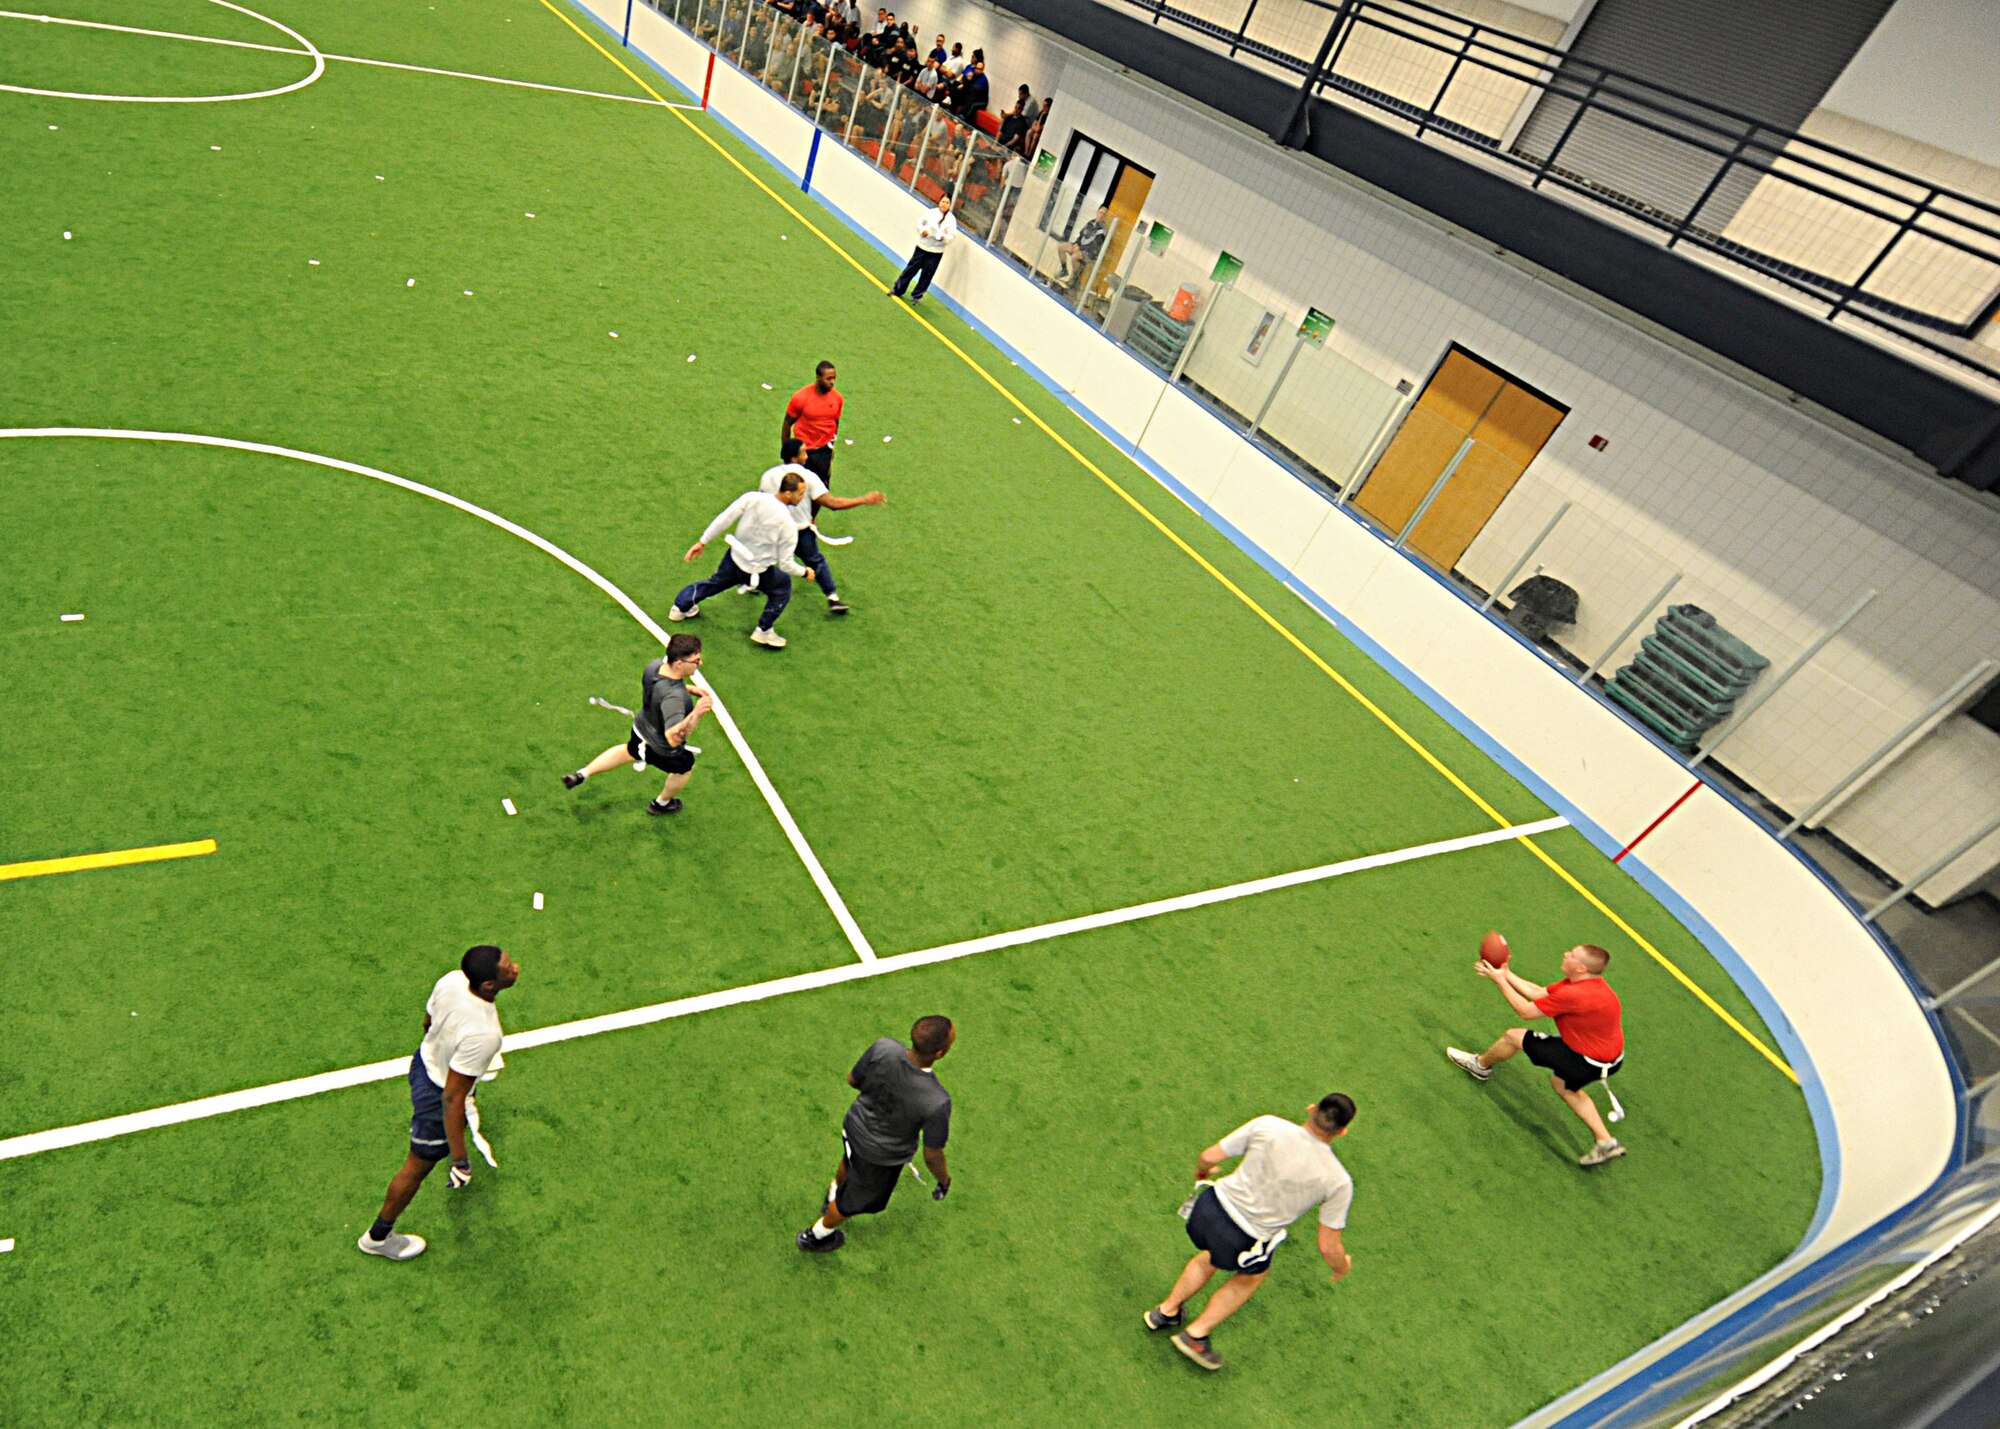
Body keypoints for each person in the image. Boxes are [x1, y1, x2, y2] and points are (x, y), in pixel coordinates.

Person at [1144, 1095, 1355, 1371]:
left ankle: (1166, 1311)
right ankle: (1195, 1335)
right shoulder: (1338, 1181)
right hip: (1242, 1238)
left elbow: (1209, 1157)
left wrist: (1202, 1172)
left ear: (1312, 1109)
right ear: (1342, 1131)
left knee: (1211, 1255)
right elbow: (1328, 1246)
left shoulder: (1269, 1124)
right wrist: (1342, 1267)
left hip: (1208, 1208)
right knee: (1251, 1276)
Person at [357, 944, 522, 1262]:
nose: (515, 968)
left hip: (423, 1062)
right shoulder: (485, 1034)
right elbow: (451, 1098)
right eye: (508, 967)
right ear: (488, 985)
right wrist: (460, 1160)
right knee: (416, 1167)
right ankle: (377, 1237)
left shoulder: (453, 980)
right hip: (438, 1094)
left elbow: (428, 1022)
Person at [1448, 943, 1627, 1167]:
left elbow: (1525, 1011)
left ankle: (1479, 1065)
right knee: (1563, 1085)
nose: (1565, 953)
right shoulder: (1588, 983)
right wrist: (1507, 974)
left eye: (1571, 955)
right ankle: (1605, 1141)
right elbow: (1538, 992)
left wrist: (1500, 981)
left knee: (1514, 1037)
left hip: (1586, 1060)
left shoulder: (1575, 994)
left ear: (1581, 968)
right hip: (1610, 1059)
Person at [797, 1016, 956, 1252]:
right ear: (940, 1053)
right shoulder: (936, 1101)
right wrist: (944, 1180)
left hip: (853, 1128)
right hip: (879, 1158)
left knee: (849, 1161)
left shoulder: (884, 1047)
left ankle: (832, 1194)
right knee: (850, 1204)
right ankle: (816, 1235)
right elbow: (932, 1154)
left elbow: (853, 1079)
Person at [560, 635, 713, 814]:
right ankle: (661, 804)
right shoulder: (676, 699)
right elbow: (673, 738)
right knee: (685, 768)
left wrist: (687, 688)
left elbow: (660, 689)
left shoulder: (654, 667)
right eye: (696, 660)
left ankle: (582, 774)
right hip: (660, 747)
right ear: (679, 663)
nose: (699, 663)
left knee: (630, 751)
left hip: (641, 729)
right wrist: (697, 713)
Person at [670, 473, 811, 649]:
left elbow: (725, 518)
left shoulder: (752, 498)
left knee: (714, 583)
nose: (803, 497)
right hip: (759, 571)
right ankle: (763, 630)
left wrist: (703, 541)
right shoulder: (788, 525)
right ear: (788, 493)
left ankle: (680, 607)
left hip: (734, 558)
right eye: (801, 493)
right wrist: (805, 572)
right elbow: (786, 563)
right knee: (783, 587)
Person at [757, 438, 884, 615]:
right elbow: (833, 503)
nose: (807, 456)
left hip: (772, 529)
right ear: (795, 458)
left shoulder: (768, 475)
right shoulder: (807, 477)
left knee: (759, 555)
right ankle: (833, 598)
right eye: (803, 452)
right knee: (815, 561)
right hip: (799, 531)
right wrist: (863, 500)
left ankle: (752, 581)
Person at [782, 360, 844, 487]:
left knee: (820, 489)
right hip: (803, 450)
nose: (832, 382)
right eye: (828, 378)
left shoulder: (837, 398)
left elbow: (835, 421)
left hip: (824, 451)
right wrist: (787, 451)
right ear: (818, 378)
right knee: (797, 487)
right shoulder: (801, 397)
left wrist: (832, 442)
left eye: (834, 378)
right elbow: (787, 424)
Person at [889, 194, 957, 303]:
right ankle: (898, 290)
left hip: (936, 252)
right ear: (939, 202)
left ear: (950, 205)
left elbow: (951, 236)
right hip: (922, 247)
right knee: (911, 269)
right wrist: (923, 232)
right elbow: (919, 224)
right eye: (943, 201)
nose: (944, 204)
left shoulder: (951, 220)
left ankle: (917, 296)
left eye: (947, 203)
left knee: (927, 275)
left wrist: (943, 238)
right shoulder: (931, 213)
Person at [1056, 204, 1108, 286]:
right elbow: (1081, 235)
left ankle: (1075, 279)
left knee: (1074, 256)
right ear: (1097, 212)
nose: (1101, 215)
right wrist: (1076, 244)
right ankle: (1064, 270)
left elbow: (1095, 247)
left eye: (1104, 214)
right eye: (1100, 212)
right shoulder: (1090, 223)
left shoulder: (1102, 230)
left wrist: (1080, 248)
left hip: (1090, 253)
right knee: (1061, 247)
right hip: (1081, 247)